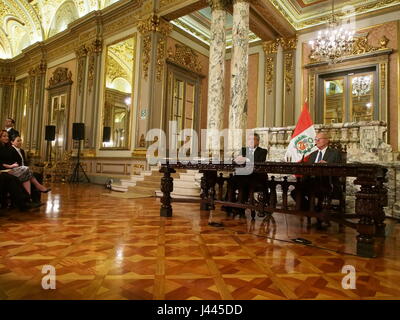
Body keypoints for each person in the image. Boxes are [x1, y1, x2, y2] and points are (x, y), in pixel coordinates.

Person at [292, 132, 343, 228]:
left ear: (327, 140)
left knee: (321, 192)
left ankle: (320, 214)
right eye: (316, 139)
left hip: (327, 182)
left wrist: (327, 164)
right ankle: (314, 212)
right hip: (312, 182)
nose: (317, 141)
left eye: (319, 139)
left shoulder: (335, 153)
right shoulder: (313, 154)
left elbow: (339, 169)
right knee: (295, 192)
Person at [229, 133, 268, 216]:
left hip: (256, 176)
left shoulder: (262, 151)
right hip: (243, 174)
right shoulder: (243, 150)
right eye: (249, 139)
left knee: (244, 183)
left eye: (252, 139)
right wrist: (237, 159)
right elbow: (238, 160)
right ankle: (228, 205)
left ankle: (239, 207)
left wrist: (246, 159)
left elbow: (258, 162)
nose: (250, 141)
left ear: (257, 141)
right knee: (232, 180)